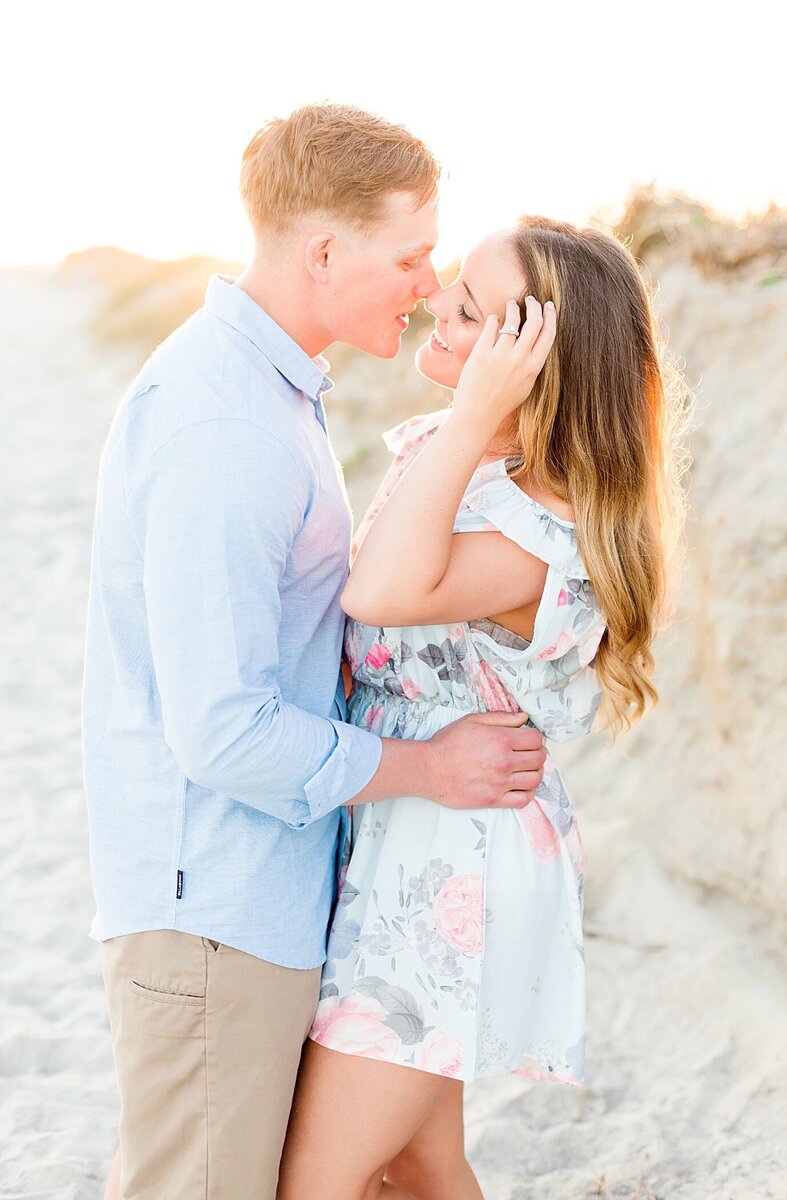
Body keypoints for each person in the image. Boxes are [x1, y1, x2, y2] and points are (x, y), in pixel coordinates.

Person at [87, 105, 549, 1200]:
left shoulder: (265, 394)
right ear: (324, 252)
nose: (430, 286)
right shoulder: (227, 428)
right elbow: (221, 728)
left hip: (262, 899)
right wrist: (429, 769)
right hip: (215, 914)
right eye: (410, 256)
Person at [276, 216, 689, 1199]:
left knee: (314, 1182)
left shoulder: (537, 530)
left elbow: (378, 594)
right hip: (423, 831)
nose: (436, 313)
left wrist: (467, 419)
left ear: (530, 366)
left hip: (451, 860)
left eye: (472, 314)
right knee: (418, 1163)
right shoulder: (477, 475)